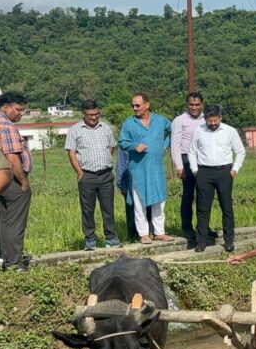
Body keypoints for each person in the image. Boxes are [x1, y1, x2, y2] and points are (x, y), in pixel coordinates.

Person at [64, 100, 123, 250]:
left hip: (105, 175)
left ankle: (111, 238)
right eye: (90, 115)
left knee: (108, 209)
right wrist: (79, 172)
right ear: (83, 114)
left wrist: (104, 161)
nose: (94, 117)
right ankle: (90, 239)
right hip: (87, 176)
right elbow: (71, 152)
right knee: (88, 210)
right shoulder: (75, 130)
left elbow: (111, 147)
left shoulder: (105, 127)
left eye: (96, 114)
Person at [188, 104, 245, 253]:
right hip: (204, 172)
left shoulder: (230, 131)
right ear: (205, 118)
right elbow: (191, 151)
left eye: (215, 121)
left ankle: (229, 241)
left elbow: (240, 151)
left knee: (226, 207)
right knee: (202, 208)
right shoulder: (198, 131)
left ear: (220, 117)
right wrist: (195, 170)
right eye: (210, 121)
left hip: (224, 172)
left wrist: (235, 169)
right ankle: (201, 242)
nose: (213, 124)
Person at [118, 93, 174, 244]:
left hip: (157, 169)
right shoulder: (129, 123)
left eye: (137, 105)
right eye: (133, 105)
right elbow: (122, 142)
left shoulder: (160, 120)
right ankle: (143, 234)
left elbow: (173, 130)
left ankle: (160, 232)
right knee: (139, 202)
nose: (134, 108)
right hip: (138, 169)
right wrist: (134, 146)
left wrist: (165, 145)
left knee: (159, 201)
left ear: (147, 105)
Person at [171, 91, 216, 243]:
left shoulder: (207, 119)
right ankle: (187, 228)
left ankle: (204, 227)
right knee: (188, 195)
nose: (194, 107)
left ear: (202, 104)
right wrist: (179, 166)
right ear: (187, 104)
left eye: (197, 104)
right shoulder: (179, 120)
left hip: (204, 160)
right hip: (187, 160)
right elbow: (175, 145)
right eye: (191, 104)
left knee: (204, 195)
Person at [0, 91, 32, 272]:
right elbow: (12, 158)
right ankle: (14, 262)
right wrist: (24, 182)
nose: (21, 114)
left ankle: (6, 259)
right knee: (15, 222)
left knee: (4, 220)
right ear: (6, 108)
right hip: (11, 179)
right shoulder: (6, 126)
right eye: (18, 110)